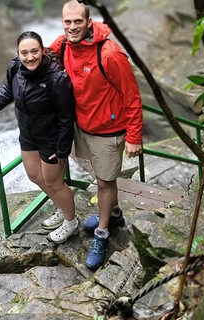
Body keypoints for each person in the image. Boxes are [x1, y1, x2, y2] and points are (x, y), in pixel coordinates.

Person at [48, 0, 143, 269]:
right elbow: (39, 58)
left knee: (104, 181)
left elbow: (132, 96)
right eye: (67, 22)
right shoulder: (64, 44)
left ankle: (101, 234)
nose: (72, 27)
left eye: (78, 21)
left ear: (89, 22)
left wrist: (134, 136)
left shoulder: (111, 53)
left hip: (108, 129)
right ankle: (112, 214)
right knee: (96, 171)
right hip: (81, 124)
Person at [0, 31, 79, 244]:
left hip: (51, 137)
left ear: (42, 50)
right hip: (28, 133)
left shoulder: (56, 77)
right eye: (24, 53)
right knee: (35, 176)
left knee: (54, 182)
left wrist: (62, 148)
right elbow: (7, 90)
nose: (29, 57)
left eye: (34, 52)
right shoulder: (15, 67)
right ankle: (61, 208)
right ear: (18, 53)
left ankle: (71, 222)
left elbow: (67, 116)